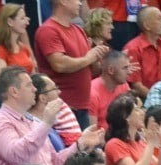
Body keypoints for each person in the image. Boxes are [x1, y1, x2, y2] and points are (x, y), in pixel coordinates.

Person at [0, 66, 104, 165]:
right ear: (14, 92)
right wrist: (46, 124)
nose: (34, 89)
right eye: (29, 85)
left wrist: (79, 144)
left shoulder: (35, 123)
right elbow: (15, 154)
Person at [35, 0, 109, 128]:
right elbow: (59, 64)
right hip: (61, 109)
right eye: (76, 0)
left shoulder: (79, 30)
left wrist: (96, 57)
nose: (80, 4)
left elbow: (92, 69)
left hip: (82, 107)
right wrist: (89, 58)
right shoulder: (48, 30)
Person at [123, 6, 161, 100]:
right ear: (147, 25)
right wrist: (157, 99)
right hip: (144, 100)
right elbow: (136, 86)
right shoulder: (133, 48)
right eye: (159, 18)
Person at [89, 50, 131, 130]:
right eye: (125, 68)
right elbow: (92, 133)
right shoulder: (92, 93)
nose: (129, 72)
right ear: (111, 70)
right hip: (103, 140)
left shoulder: (124, 85)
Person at [0, 4, 36, 73]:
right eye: (22, 18)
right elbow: (3, 78)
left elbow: (33, 73)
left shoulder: (23, 48)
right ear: (10, 22)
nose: (27, 23)